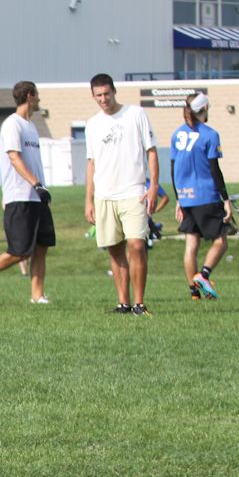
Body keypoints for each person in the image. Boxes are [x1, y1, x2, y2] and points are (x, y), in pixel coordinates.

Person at [0, 81, 55, 305]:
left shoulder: (31, 126)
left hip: (37, 197)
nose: (39, 99)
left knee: (42, 246)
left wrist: (41, 190)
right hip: (20, 196)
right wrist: (36, 184)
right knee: (20, 251)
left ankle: (37, 295)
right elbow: (14, 158)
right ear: (29, 96)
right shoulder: (12, 124)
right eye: (37, 95)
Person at [84, 73, 158, 315]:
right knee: (114, 249)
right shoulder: (92, 124)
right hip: (104, 195)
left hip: (133, 191)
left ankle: (139, 303)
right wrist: (89, 200)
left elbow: (151, 152)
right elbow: (91, 163)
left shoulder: (136, 114)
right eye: (98, 95)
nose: (103, 99)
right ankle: (123, 303)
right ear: (93, 96)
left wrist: (153, 186)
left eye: (107, 94)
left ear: (114, 91)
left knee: (136, 244)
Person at [169, 94, 233, 299]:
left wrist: (178, 198)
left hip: (186, 197)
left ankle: (194, 292)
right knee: (221, 241)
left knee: (191, 245)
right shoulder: (210, 135)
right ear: (204, 108)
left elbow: (173, 169)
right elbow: (215, 169)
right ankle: (203, 275)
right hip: (206, 195)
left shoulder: (176, 134)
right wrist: (226, 199)